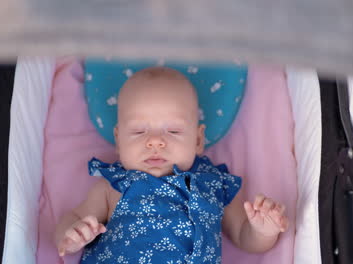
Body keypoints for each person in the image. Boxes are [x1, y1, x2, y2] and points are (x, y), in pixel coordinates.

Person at [54, 67, 289, 263]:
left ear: (198, 140)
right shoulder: (114, 187)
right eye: (138, 131)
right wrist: (72, 235)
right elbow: (74, 217)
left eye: (173, 131)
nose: (155, 141)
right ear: (118, 140)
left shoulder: (214, 184)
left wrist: (262, 230)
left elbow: (243, 235)